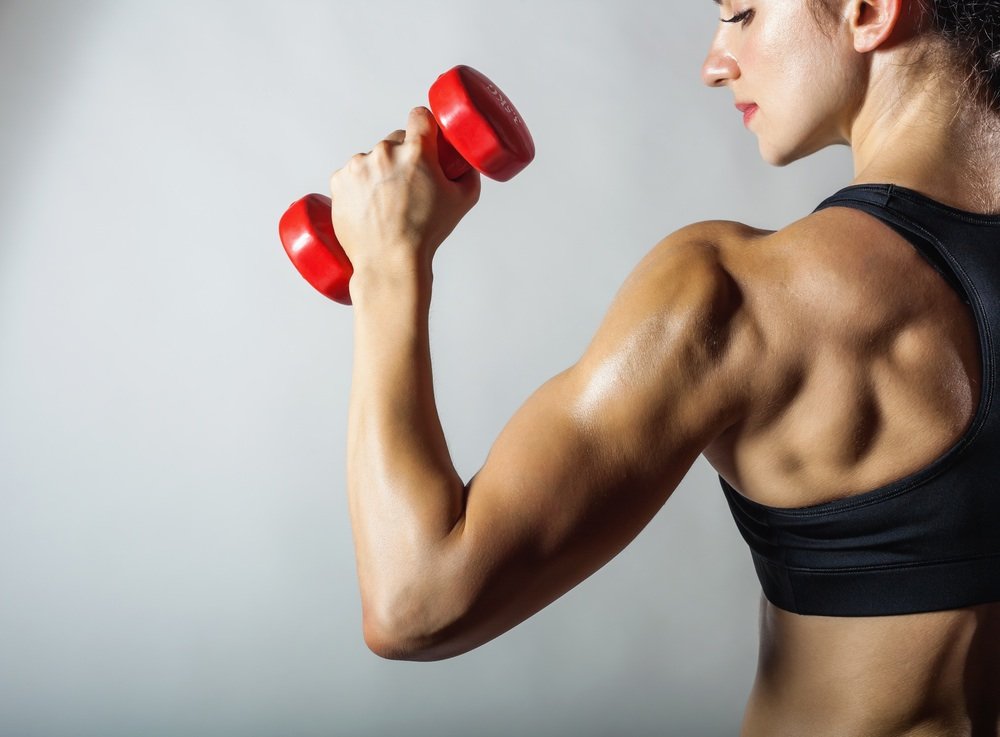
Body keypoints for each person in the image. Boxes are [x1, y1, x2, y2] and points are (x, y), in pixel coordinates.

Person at [327, 0, 1000, 733]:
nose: (714, 65)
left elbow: (416, 603)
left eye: (740, 12)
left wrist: (389, 265)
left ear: (869, 11)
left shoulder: (742, 296)